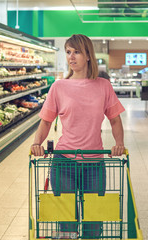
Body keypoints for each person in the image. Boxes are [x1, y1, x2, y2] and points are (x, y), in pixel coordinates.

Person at [30, 34, 125, 239]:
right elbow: (46, 121)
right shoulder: (59, 86)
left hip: (94, 163)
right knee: (67, 222)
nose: (71, 57)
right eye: (68, 52)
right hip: (63, 162)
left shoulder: (103, 86)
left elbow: (115, 120)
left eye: (77, 52)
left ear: (88, 55)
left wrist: (119, 144)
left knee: (93, 221)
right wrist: (37, 143)